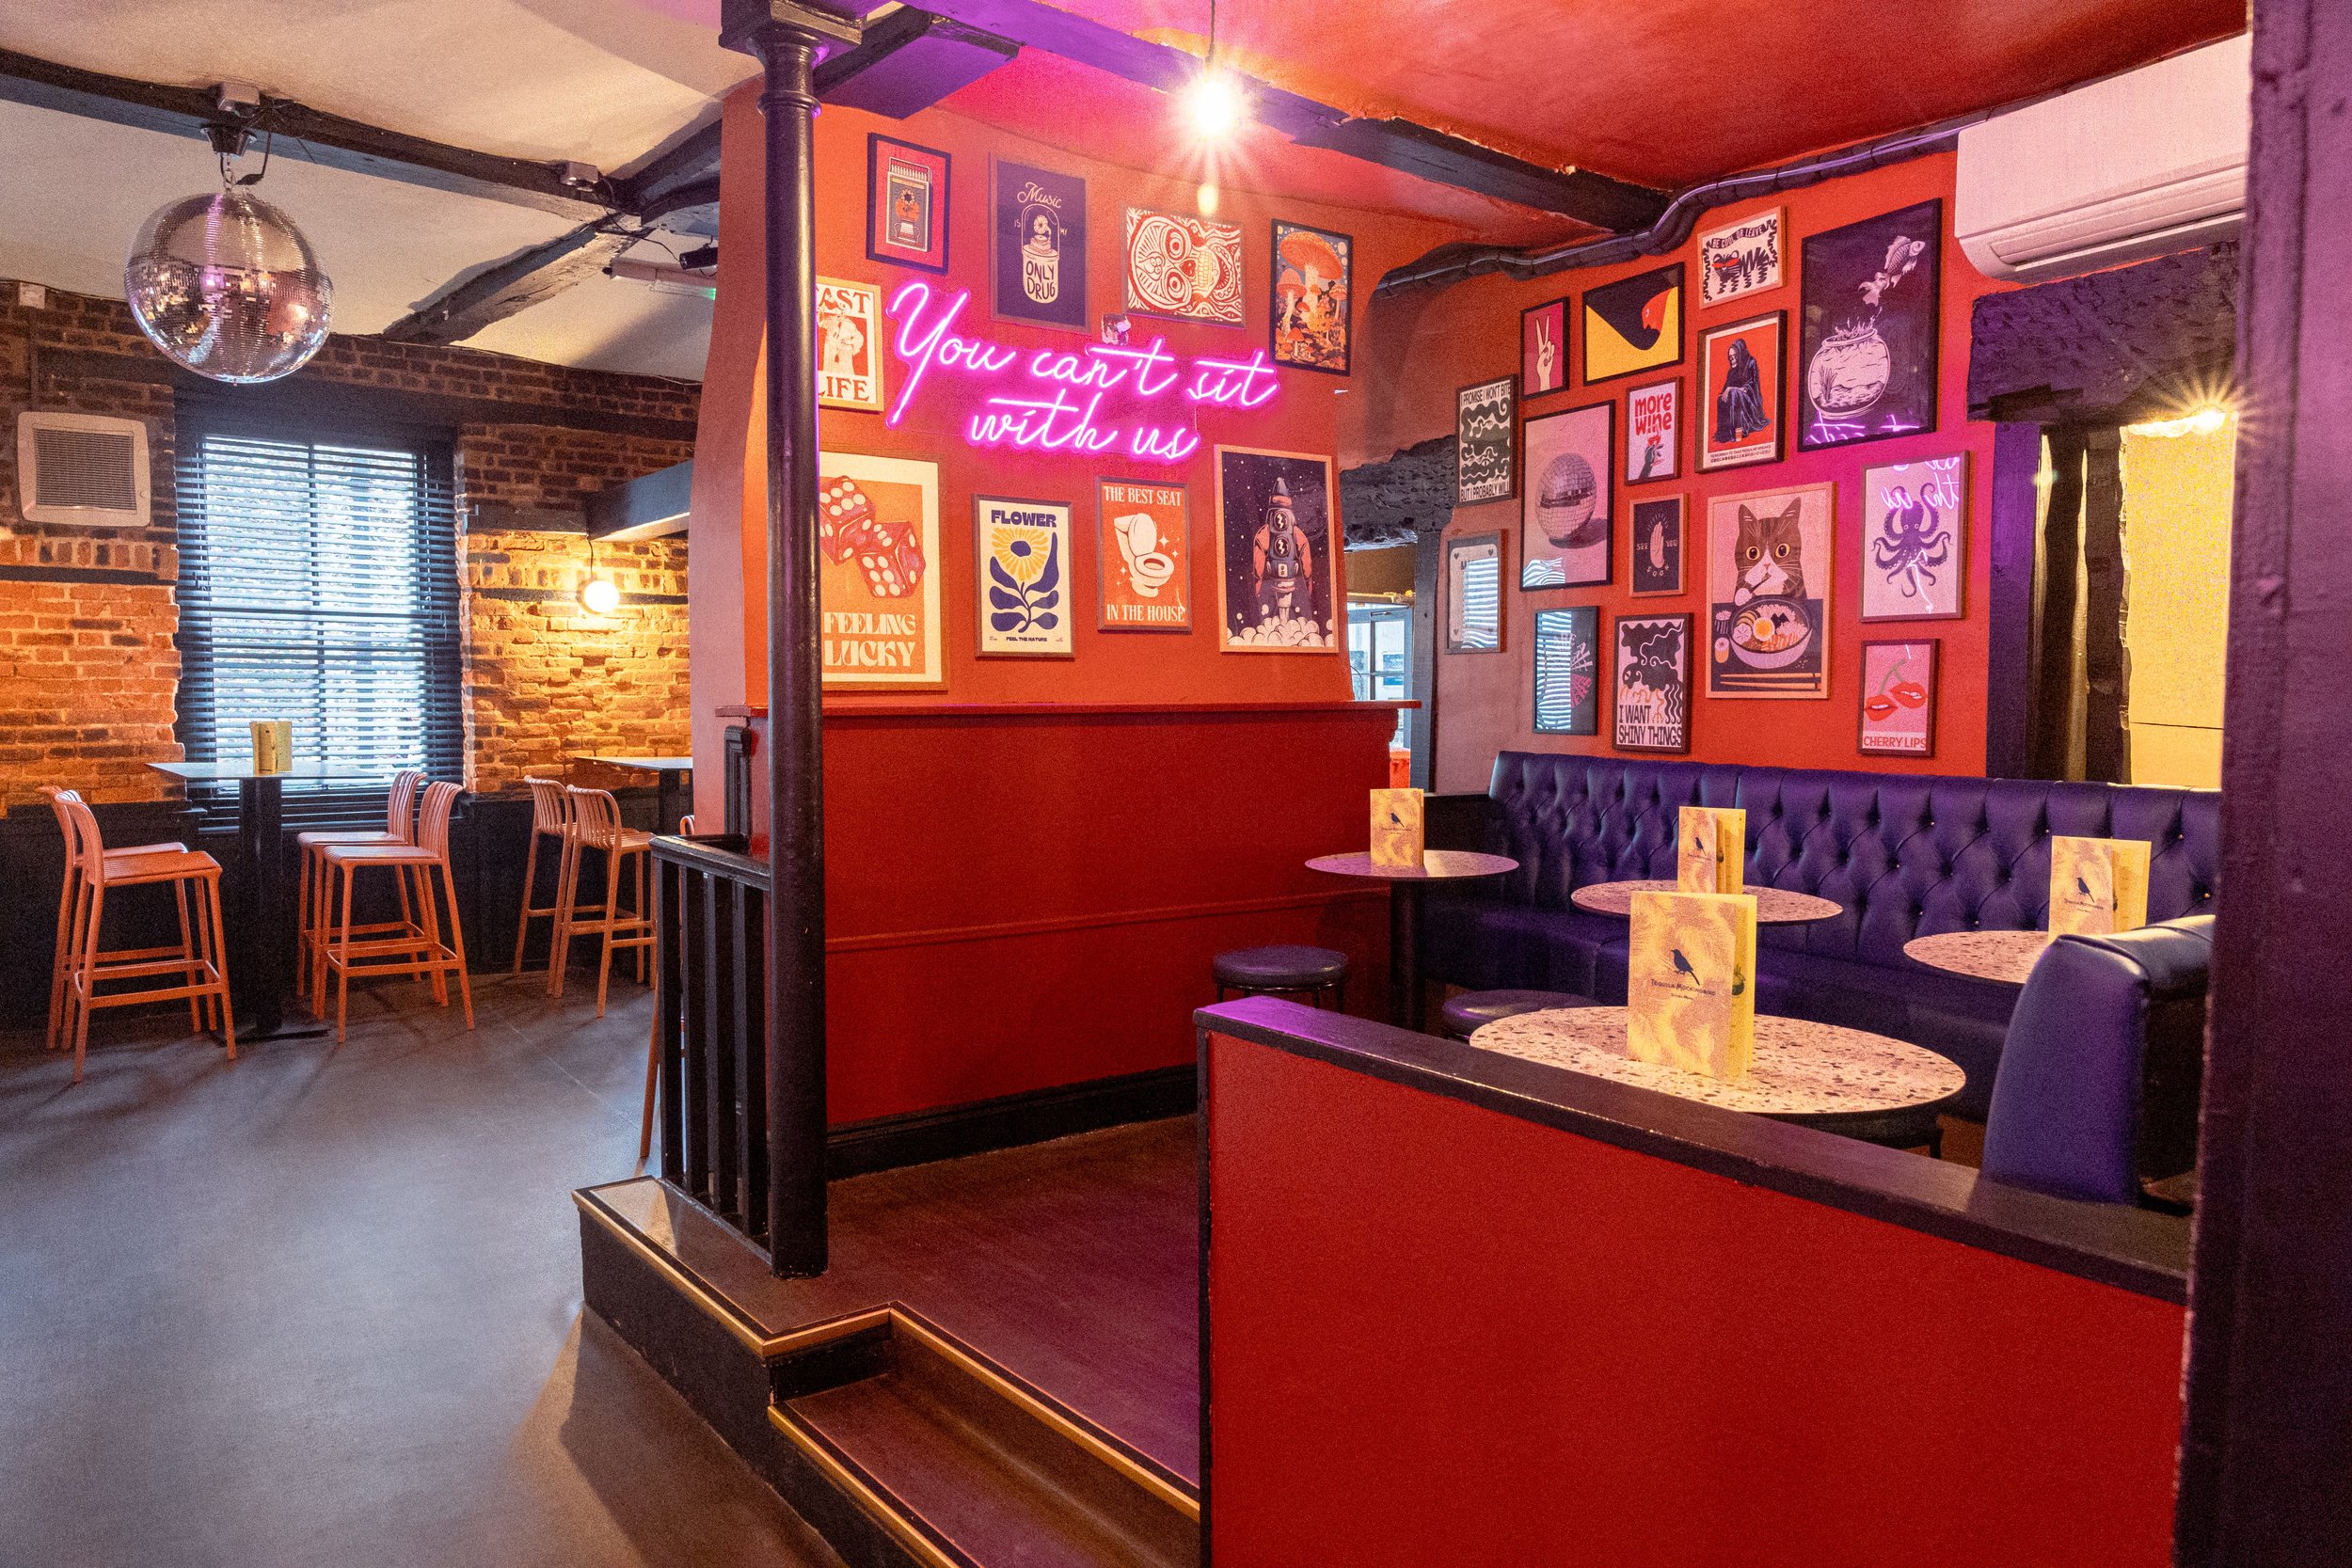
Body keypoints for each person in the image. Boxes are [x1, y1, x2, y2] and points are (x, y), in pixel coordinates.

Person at [1250, 478, 1314, 628]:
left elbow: (1259, 553)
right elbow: (1305, 555)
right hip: (1291, 573)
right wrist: (1308, 582)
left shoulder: (1264, 532)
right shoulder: (1296, 532)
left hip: (1273, 573)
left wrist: (1257, 583)